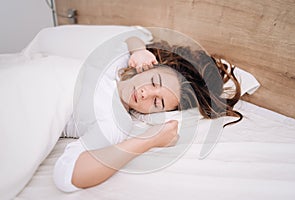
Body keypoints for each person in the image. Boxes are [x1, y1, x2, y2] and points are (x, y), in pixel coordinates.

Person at [53, 36, 242, 192]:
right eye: (153, 82)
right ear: (150, 67)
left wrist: (150, 140)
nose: (145, 93)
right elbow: (132, 37)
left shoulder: (112, 122)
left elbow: (67, 174)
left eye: (157, 102)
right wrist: (139, 51)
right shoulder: (120, 65)